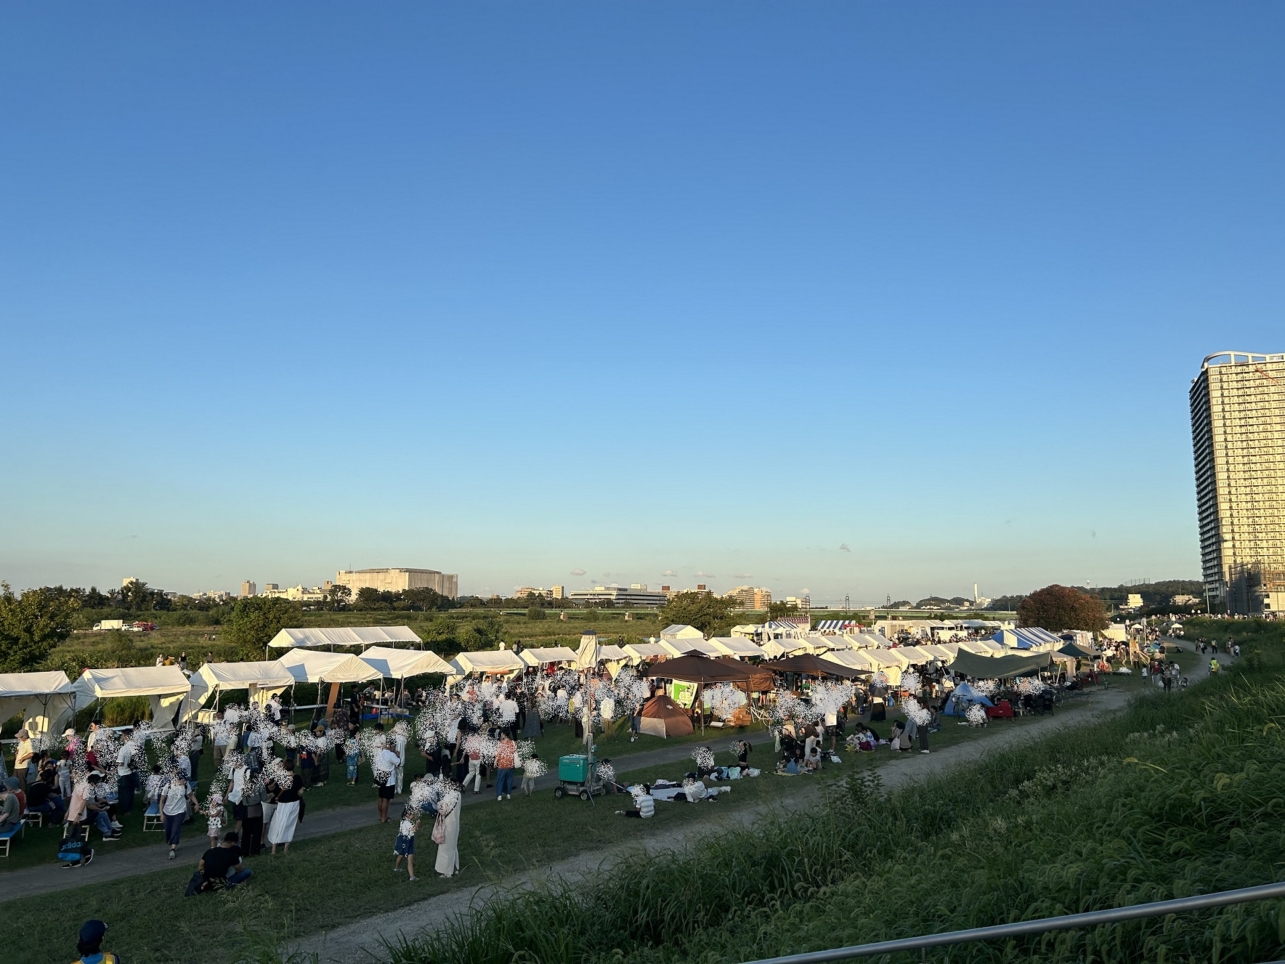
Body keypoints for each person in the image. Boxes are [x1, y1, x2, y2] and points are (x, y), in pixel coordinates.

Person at [161, 774, 198, 860]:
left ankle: (173, 849)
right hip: (167, 811)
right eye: (182, 780)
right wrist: (161, 814)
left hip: (180, 811)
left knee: (176, 829)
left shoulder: (185, 785)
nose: (183, 782)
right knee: (168, 830)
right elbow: (162, 800)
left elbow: (191, 795)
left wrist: (196, 803)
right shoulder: (168, 786)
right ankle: (170, 841)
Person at [267, 768, 301, 855]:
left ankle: (273, 850)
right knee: (289, 824)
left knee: (278, 824)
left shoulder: (281, 777)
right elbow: (301, 791)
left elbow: (275, 790)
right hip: (293, 803)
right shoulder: (297, 778)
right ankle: (285, 850)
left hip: (282, 804)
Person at [433, 792, 460, 878]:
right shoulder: (458, 794)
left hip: (447, 825)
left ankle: (447, 871)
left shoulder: (447, 796)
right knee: (453, 847)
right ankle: (455, 867)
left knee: (445, 848)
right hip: (455, 824)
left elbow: (443, 811)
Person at [376, 739, 401, 823]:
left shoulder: (380, 753)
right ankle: (384, 818)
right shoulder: (391, 755)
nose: (394, 748)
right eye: (394, 746)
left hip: (380, 776)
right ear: (390, 746)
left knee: (380, 797)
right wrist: (397, 755)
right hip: (389, 779)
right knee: (386, 799)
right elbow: (398, 763)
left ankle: (380, 816)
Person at [494, 734, 516, 801]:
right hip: (510, 764)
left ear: (505, 735)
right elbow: (515, 752)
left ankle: (499, 795)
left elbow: (498, 754)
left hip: (502, 764)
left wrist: (495, 762)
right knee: (509, 780)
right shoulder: (513, 742)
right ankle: (508, 794)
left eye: (502, 734)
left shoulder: (500, 743)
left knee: (500, 780)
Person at [13, 729, 33, 793]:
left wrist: (22, 759)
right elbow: (18, 749)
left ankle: (23, 795)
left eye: (20, 737)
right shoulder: (22, 742)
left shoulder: (28, 743)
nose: (18, 738)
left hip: (23, 766)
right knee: (15, 780)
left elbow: (31, 754)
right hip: (17, 765)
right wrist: (16, 753)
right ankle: (16, 793)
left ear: (24, 737)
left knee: (22, 782)